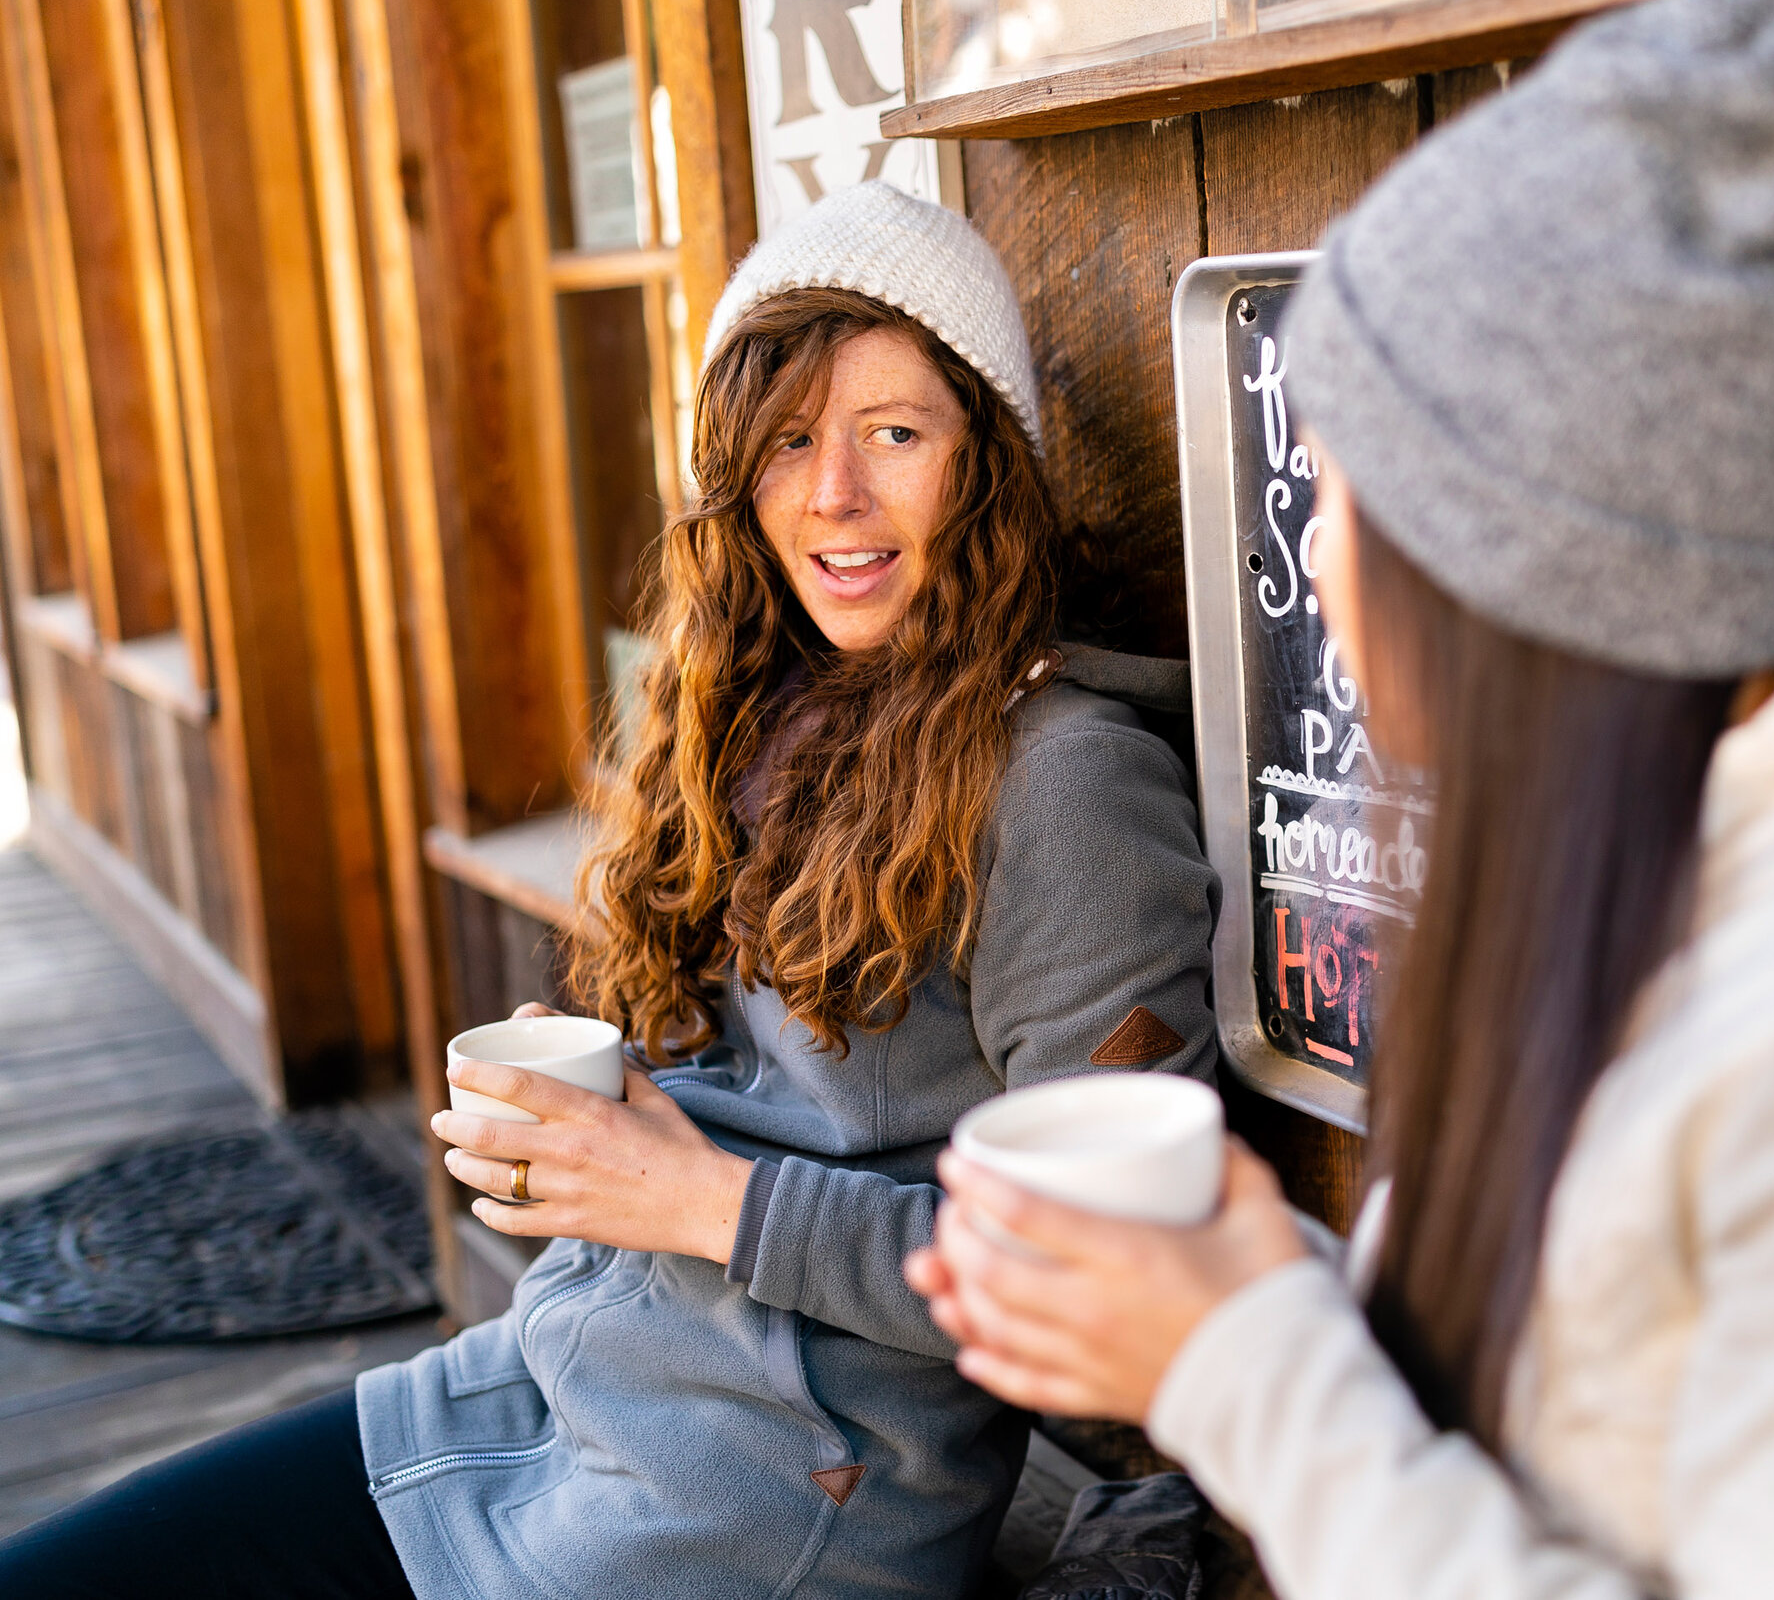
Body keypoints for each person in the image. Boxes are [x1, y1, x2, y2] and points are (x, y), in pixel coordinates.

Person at [906, 0, 1774, 1600]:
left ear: (1533, 552)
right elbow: (1581, 1422)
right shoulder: (1656, 866)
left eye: (1350, 482)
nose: (1311, 552)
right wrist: (1240, 1294)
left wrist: (1245, 1361)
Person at [0, 183, 1221, 1600]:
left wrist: (702, 1199)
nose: (833, 494)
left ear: (986, 463)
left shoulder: (1066, 787)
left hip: (759, 1511)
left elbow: (1117, 1269)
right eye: (786, 441)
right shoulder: (775, 711)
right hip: (557, 1386)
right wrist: (601, 1142)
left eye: (895, 432)